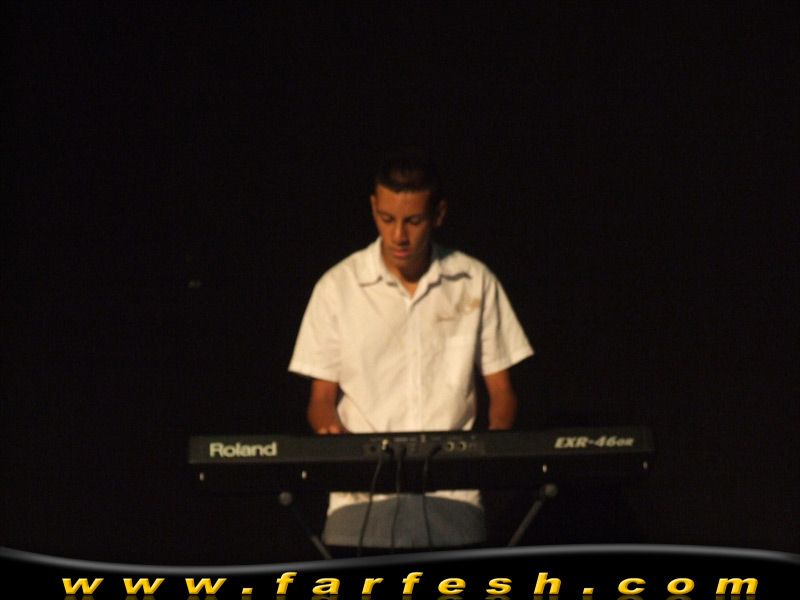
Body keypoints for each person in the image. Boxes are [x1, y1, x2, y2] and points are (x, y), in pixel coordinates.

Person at [288, 149, 533, 553]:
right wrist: (334, 439)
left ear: (438, 215)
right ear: (373, 208)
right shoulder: (337, 287)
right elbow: (320, 399)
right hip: (360, 504)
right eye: (387, 219)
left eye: (413, 221)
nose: (399, 236)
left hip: (454, 503)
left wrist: (490, 450)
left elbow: (502, 390)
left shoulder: (474, 280)